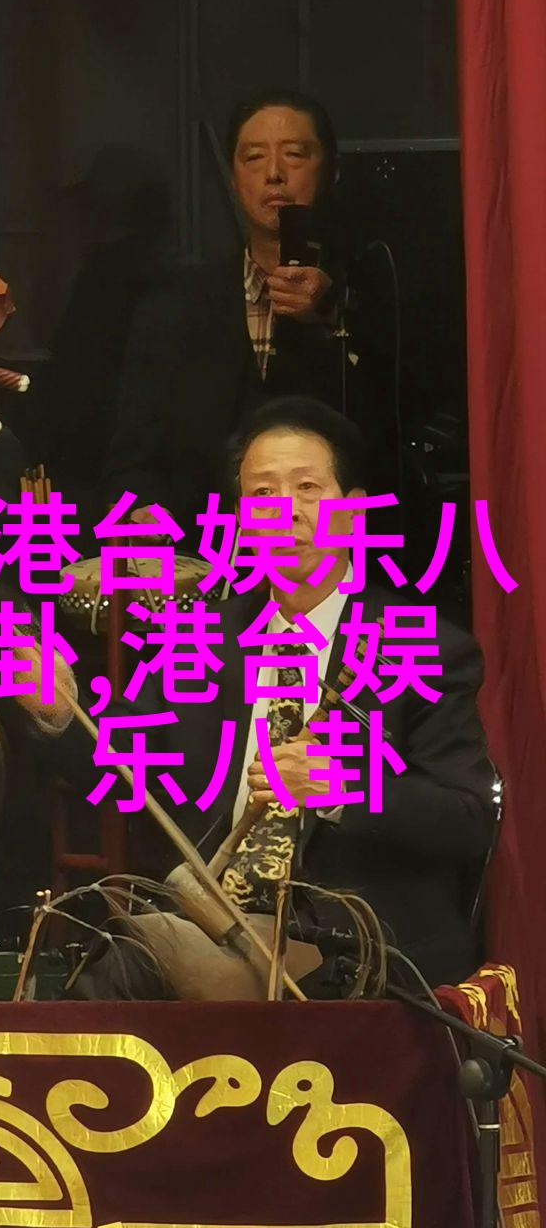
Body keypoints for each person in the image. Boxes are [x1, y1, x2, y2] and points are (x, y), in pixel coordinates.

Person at [54, 395, 496, 991]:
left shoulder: (419, 648)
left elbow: (469, 820)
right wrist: (57, 712)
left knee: (139, 974)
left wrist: (345, 787)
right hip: (217, 924)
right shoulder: (199, 641)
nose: (285, 512)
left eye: (307, 488)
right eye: (262, 494)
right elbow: (120, 764)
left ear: (353, 511)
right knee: (108, 965)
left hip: (355, 944)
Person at [103, 90, 379, 535]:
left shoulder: (371, 294)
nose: (274, 173)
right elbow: (133, 461)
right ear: (233, 178)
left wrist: (330, 318)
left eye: (295, 154)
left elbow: (392, 438)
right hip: (202, 556)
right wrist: (145, 515)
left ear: (332, 171)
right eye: (253, 157)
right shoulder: (174, 309)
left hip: (332, 557)